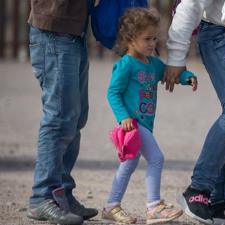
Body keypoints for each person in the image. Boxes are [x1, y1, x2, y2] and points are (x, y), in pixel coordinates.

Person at [101, 8, 197, 225]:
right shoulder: (125, 65)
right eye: (147, 39)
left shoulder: (152, 63)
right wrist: (123, 117)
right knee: (156, 158)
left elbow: (169, 73)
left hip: (144, 124)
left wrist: (187, 77)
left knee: (128, 165)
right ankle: (154, 207)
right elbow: (112, 92)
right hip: (133, 124)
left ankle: (110, 206)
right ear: (129, 39)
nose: (153, 43)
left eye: (155, 38)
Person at [165, 0, 225, 224]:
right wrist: (176, 56)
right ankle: (198, 190)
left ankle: (219, 200)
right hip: (221, 33)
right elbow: (192, 3)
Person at [27, 1, 98, 225]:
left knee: (75, 118)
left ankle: (62, 195)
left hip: (74, 32)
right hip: (54, 31)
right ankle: (42, 196)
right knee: (59, 117)